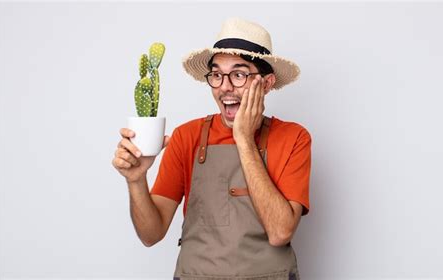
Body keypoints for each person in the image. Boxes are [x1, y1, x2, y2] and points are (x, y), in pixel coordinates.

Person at [112, 17, 312, 280]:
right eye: (217, 75)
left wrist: (244, 139)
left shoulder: (294, 138)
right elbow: (151, 235)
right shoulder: (187, 136)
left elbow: (280, 232)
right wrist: (136, 181)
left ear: (266, 83)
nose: (225, 87)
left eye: (239, 74)